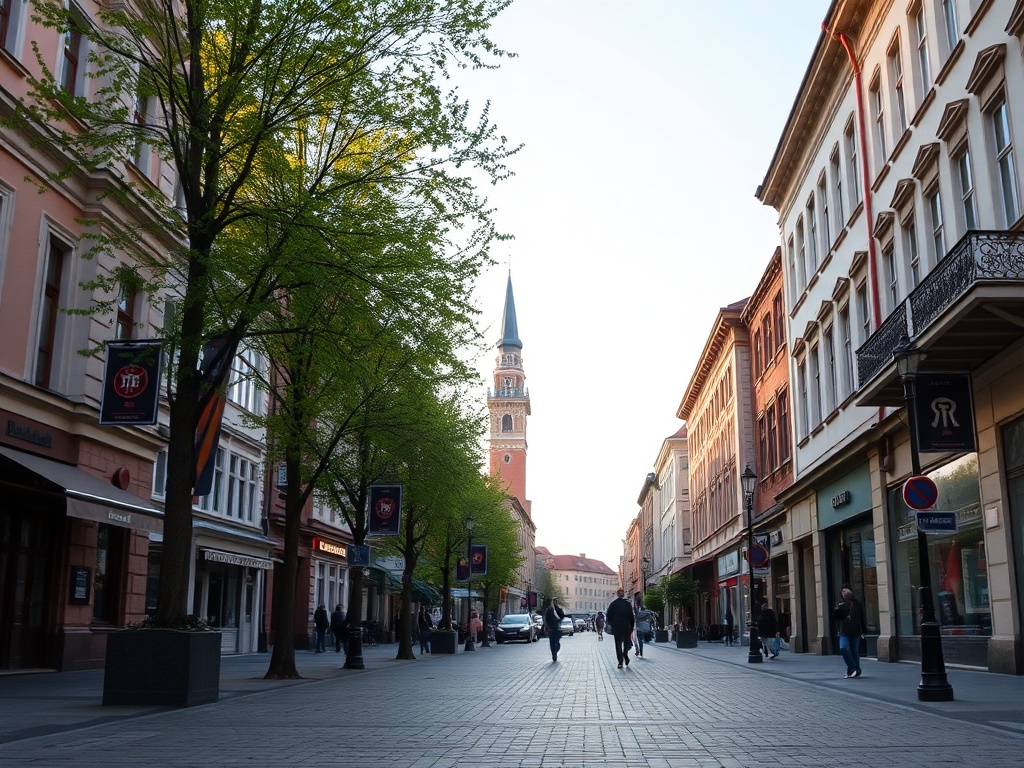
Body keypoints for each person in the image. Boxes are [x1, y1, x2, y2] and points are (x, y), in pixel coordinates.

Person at [833, 584, 866, 678]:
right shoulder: (841, 602)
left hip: (856, 629)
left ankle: (853, 671)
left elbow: (862, 616)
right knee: (843, 648)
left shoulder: (857, 602)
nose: (844, 591)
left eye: (846, 589)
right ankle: (853, 668)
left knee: (854, 651)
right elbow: (836, 617)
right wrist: (837, 609)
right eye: (843, 590)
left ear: (851, 591)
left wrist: (863, 630)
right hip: (844, 630)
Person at [606, 588, 635, 669]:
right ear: (623, 594)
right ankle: (625, 654)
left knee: (618, 645)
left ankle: (620, 662)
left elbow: (608, 616)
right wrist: (631, 626)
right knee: (626, 643)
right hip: (626, 626)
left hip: (617, 627)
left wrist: (613, 624)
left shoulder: (613, 604)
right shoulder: (627, 604)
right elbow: (631, 616)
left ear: (617, 594)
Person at [544, 598, 565, 662]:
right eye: (554, 601)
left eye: (556, 601)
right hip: (551, 628)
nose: (555, 602)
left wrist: (557, 608)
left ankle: (555, 651)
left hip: (557, 628)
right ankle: (554, 655)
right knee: (552, 642)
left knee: (557, 642)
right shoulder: (549, 609)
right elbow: (546, 619)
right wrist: (547, 627)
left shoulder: (558, 609)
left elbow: (562, 616)